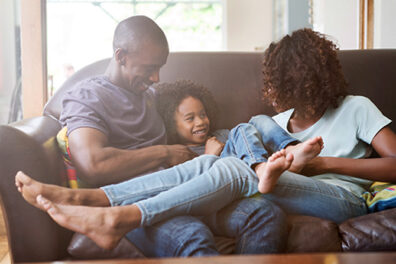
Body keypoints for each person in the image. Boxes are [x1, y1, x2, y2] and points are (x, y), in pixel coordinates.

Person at [16, 80, 323, 252]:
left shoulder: (220, 136)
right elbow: (94, 162)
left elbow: (243, 143)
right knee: (193, 235)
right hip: (165, 198)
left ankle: (92, 202)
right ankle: (90, 201)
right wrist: (200, 157)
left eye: (202, 115)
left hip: (221, 198)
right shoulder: (164, 148)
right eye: (189, 118)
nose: (200, 122)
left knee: (265, 212)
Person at [249, 28, 396, 224]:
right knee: (249, 130)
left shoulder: (355, 107)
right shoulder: (275, 126)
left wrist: (322, 164)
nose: (270, 90)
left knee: (244, 181)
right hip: (284, 195)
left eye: (280, 83)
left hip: (344, 199)